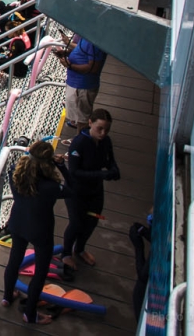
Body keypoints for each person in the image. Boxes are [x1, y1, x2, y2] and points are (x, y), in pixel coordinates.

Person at [1, 141, 75, 325]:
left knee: (14, 260)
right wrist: (61, 167)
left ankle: (7, 296)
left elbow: (19, 166)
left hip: (17, 223)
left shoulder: (15, 174)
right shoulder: (50, 187)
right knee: (40, 271)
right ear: (47, 162)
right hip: (40, 229)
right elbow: (72, 190)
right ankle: (30, 313)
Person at [62, 109, 120, 280]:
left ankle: (79, 249)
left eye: (106, 130)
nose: (103, 133)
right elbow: (74, 172)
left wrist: (114, 170)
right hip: (76, 191)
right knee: (76, 223)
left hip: (95, 190)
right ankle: (66, 254)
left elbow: (110, 161)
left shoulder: (105, 141)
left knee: (92, 221)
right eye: (99, 129)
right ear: (90, 124)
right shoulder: (78, 144)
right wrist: (102, 174)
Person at [55, 32, 107, 130]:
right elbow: (82, 51)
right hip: (76, 84)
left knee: (82, 120)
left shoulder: (95, 42)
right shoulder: (87, 37)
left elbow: (93, 68)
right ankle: (80, 138)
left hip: (83, 86)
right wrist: (66, 53)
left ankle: (82, 140)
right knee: (79, 119)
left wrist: (69, 65)